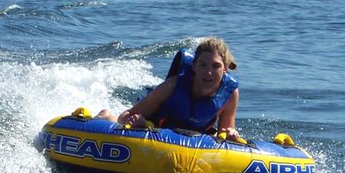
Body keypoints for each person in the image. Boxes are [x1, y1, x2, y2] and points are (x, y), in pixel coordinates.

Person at [97, 37, 240, 138]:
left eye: (216, 66)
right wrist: (135, 121)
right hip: (154, 126)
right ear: (194, 66)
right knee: (113, 121)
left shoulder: (230, 94)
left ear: (225, 68)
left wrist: (230, 134)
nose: (208, 72)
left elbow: (224, 134)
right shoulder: (173, 85)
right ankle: (106, 114)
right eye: (203, 65)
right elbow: (125, 116)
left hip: (195, 137)